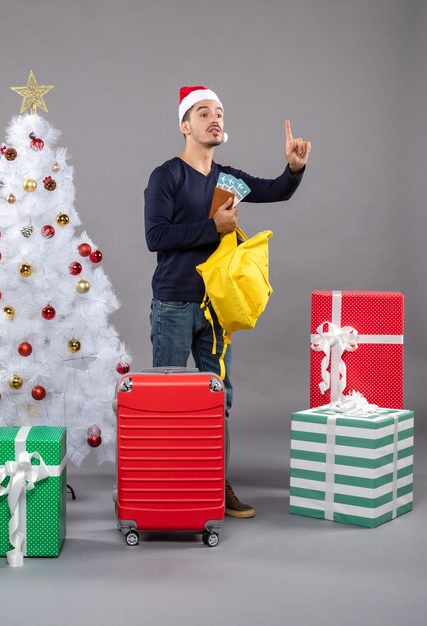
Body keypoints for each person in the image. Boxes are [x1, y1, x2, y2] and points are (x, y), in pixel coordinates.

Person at [144, 85, 311, 518]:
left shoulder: (228, 178)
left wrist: (293, 170)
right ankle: (167, 487)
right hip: (174, 306)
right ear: (185, 125)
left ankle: (215, 483)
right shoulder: (167, 176)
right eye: (203, 113)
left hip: (217, 307)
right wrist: (212, 227)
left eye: (218, 112)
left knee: (218, 399)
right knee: (167, 402)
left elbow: (276, 190)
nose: (214, 119)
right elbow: (155, 237)